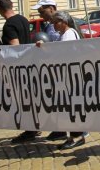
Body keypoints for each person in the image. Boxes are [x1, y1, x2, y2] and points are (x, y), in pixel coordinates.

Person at [35, 11, 86, 149]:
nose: (53, 24)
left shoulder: (69, 34)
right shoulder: (64, 35)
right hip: (67, 76)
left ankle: (76, 137)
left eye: (56, 22)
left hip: (70, 77)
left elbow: (64, 55)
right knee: (69, 108)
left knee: (71, 108)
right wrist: (44, 47)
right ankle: (74, 136)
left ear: (64, 22)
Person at [0, 0, 43, 144]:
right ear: (12, 5)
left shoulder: (9, 26)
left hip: (19, 67)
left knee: (23, 100)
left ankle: (30, 130)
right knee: (30, 98)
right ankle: (34, 127)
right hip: (30, 63)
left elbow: (15, 48)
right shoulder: (23, 19)